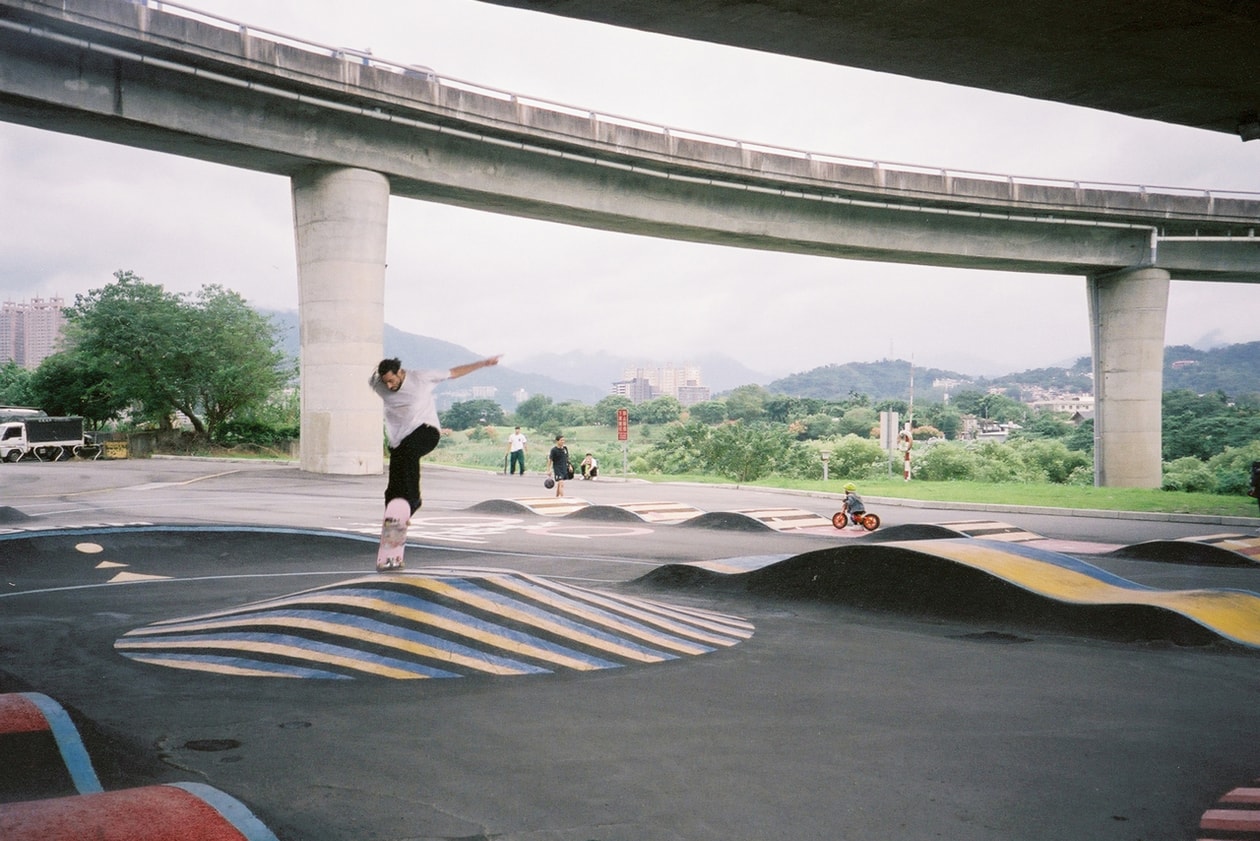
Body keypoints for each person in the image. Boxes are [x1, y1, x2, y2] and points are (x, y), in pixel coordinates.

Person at [369, 354, 500, 515]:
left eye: (391, 381)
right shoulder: (377, 383)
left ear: (400, 372)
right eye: (385, 382)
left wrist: (483, 363)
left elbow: (453, 373)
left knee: (408, 453)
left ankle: (413, 500)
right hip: (400, 439)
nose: (388, 386)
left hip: (427, 430)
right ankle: (393, 516)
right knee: (394, 479)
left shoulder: (421, 378)